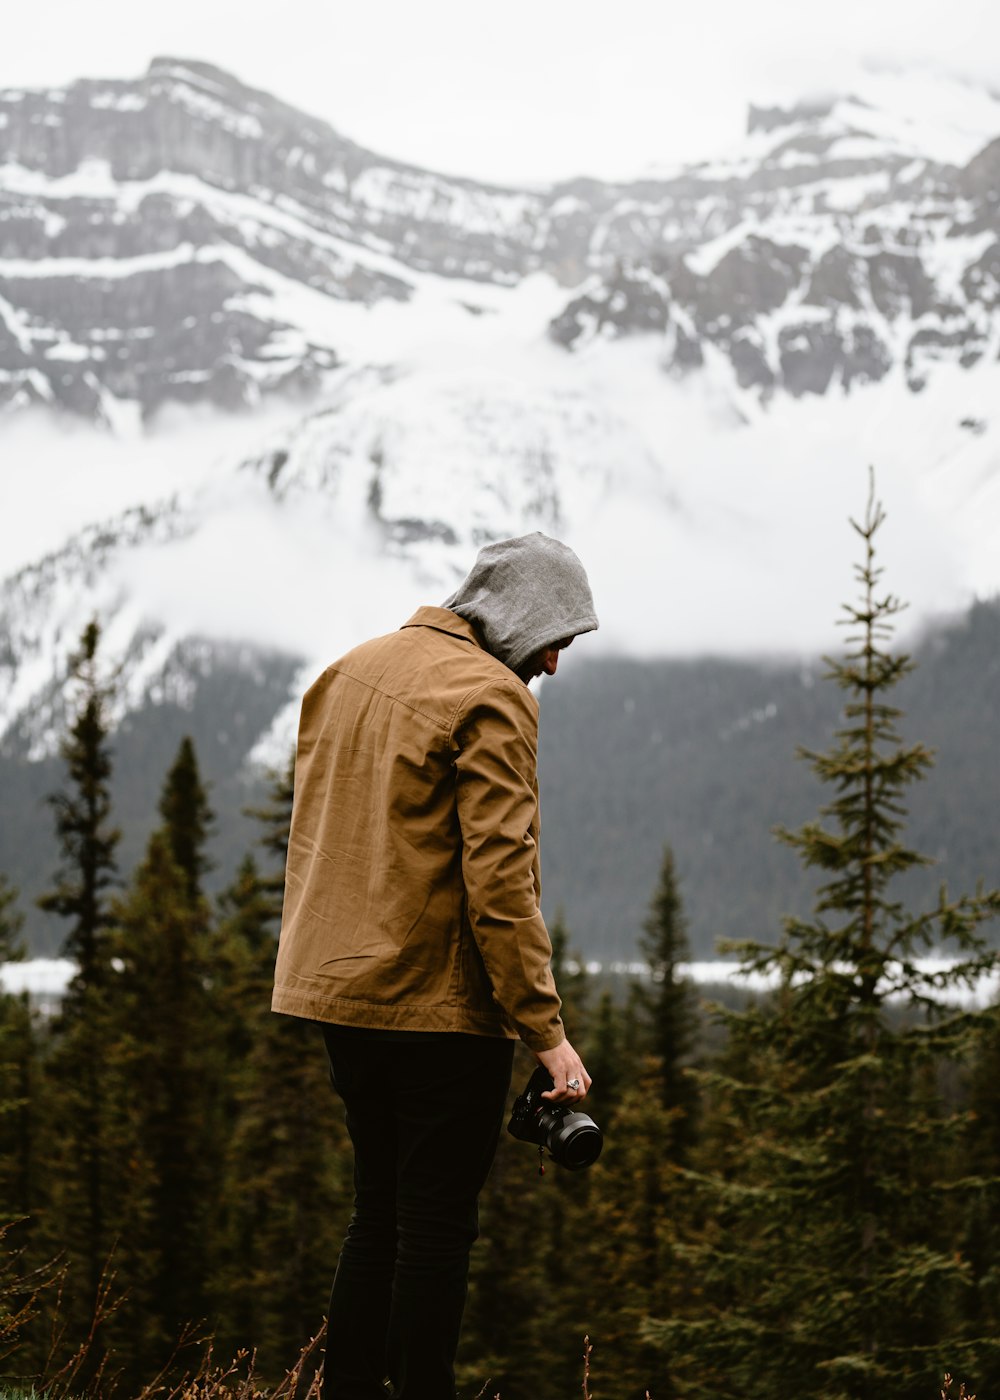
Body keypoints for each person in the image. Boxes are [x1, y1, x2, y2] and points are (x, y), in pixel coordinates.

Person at [272, 531, 598, 1400]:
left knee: (375, 1214)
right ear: (521, 621)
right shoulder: (492, 697)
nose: (556, 664)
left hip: (341, 999)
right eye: (557, 639)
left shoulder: (347, 673)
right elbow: (500, 883)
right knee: (436, 1227)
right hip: (437, 1012)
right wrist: (548, 1035)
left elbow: (321, 839)